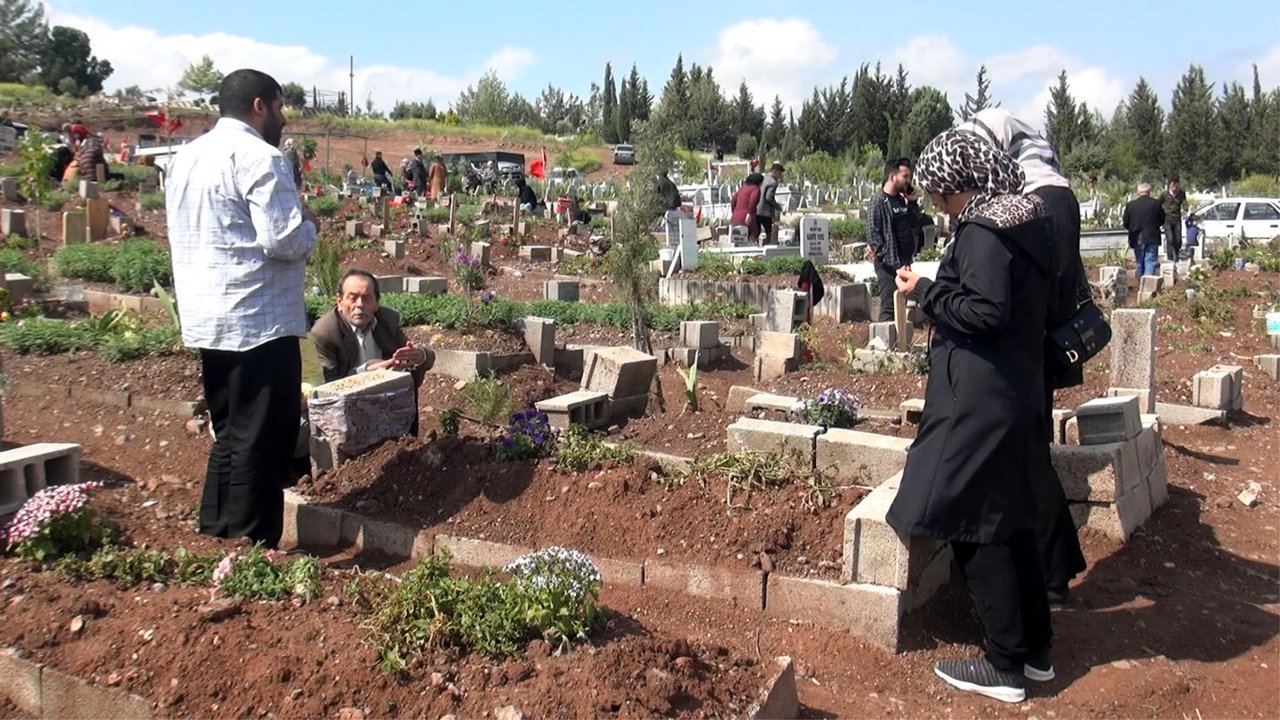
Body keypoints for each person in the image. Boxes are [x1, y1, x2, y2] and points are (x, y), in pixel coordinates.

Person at [889, 130, 1055, 703]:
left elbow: (985, 309)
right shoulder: (1025, 217)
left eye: (939, 192)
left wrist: (927, 292)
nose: (936, 202)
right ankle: (1035, 651)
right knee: (1010, 517)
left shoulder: (983, 230)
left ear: (965, 183)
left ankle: (1005, 663)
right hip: (1013, 388)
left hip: (978, 398)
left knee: (965, 513)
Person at [166, 68, 318, 549]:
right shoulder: (260, 157)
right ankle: (253, 545)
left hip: (210, 318)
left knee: (231, 430)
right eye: (279, 107)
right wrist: (310, 226)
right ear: (259, 106)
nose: (283, 117)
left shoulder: (186, 157)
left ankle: (219, 530)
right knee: (264, 436)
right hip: (258, 321)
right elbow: (283, 239)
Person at [956, 108, 1089, 604]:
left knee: (1027, 451)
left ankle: (1051, 571)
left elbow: (1008, 301)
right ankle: (1054, 566)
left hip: (1023, 353)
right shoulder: (1054, 194)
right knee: (1029, 447)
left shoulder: (1034, 203)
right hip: (1036, 345)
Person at [310, 270, 434, 437]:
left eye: (367, 298)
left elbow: (424, 358)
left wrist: (419, 356)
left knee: (406, 378)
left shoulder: (386, 321)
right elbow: (328, 388)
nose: (360, 304)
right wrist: (366, 373)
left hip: (385, 402)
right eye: (352, 298)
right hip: (345, 415)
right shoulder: (324, 333)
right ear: (339, 301)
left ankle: (405, 440)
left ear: (376, 303)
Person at [867, 158, 919, 321]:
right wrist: (894, 264)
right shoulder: (878, 202)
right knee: (889, 308)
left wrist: (912, 203)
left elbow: (914, 223)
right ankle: (884, 344)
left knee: (900, 308)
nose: (908, 181)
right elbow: (873, 236)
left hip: (903, 264)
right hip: (888, 267)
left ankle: (899, 343)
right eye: (905, 176)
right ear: (892, 176)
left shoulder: (900, 200)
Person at [1123, 182, 1164, 278]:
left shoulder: (1131, 205)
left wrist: (1132, 228)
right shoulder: (1156, 204)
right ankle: (1148, 285)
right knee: (1150, 261)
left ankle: (1140, 281)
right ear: (1149, 192)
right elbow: (1162, 219)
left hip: (1137, 236)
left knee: (1139, 261)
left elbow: (1126, 222)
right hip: (1152, 236)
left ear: (1138, 192)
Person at [756, 162, 785, 243]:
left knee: (757, 231)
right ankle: (766, 247)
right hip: (765, 211)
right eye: (779, 174)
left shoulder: (764, 178)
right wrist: (777, 207)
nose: (779, 176)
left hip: (757, 209)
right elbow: (768, 197)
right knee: (768, 233)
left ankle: (757, 247)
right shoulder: (773, 182)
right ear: (775, 171)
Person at [1159, 178, 1187, 262]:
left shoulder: (1181, 194)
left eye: (1176, 186)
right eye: (1173, 186)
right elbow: (1158, 204)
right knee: (1170, 238)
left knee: (1178, 239)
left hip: (1177, 219)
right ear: (1170, 186)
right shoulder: (1164, 194)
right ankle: (1170, 257)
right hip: (1167, 218)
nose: (1175, 188)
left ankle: (1176, 254)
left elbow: (1184, 204)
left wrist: (1188, 209)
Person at [730, 173, 763, 241]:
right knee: (753, 234)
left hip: (735, 216)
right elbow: (753, 200)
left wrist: (734, 212)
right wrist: (749, 213)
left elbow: (733, 199)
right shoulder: (755, 189)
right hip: (747, 217)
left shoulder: (742, 188)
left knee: (736, 237)